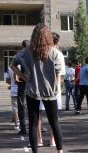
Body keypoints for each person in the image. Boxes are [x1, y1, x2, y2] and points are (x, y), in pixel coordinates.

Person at [11, 24, 63, 153]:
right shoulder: (54, 52)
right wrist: (57, 88)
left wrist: (24, 77)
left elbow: (13, 65)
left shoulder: (26, 51)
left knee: (33, 124)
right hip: (50, 91)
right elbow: (58, 73)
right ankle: (60, 151)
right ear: (48, 36)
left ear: (33, 36)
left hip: (32, 90)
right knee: (54, 123)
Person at [15, 39, 30, 135]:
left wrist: (21, 76)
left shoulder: (20, 54)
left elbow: (13, 66)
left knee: (21, 106)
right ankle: (37, 126)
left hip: (23, 83)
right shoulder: (34, 53)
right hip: (33, 83)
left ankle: (23, 128)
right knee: (33, 106)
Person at [6, 64, 19, 131]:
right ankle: (22, 124)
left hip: (14, 90)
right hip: (23, 90)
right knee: (23, 108)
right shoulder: (24, 65)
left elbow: (7, 80)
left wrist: (12, 85)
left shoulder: (10, 68)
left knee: (15, 108)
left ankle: (16, 124)